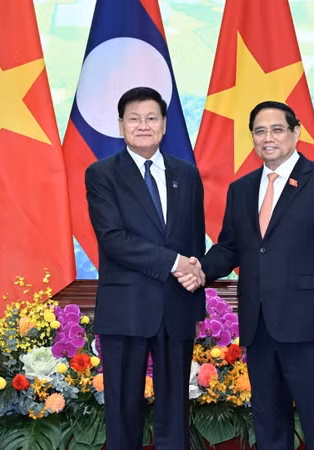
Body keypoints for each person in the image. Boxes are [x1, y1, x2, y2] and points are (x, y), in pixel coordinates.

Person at [179, 101, 314, 449]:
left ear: (296, 132)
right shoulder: (242, 188)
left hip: (312, 328)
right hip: (259, 327)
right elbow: (230, 247)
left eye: (277, 129)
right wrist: (199, 269)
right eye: (260, 131)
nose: (268, 138)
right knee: (269, 425)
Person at [86, 86, 205, 450]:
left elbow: (192, 238)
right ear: (121, 125)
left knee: (175, 413)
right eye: (134, 119)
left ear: (164, 125)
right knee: (123, 411)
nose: (143, 125)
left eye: (151, 118)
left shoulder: (187, 174)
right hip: (126, 310)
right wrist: (175, 263)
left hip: (176, 307)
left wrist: (195, 271)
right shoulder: (102, 174)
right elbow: (113, 240)